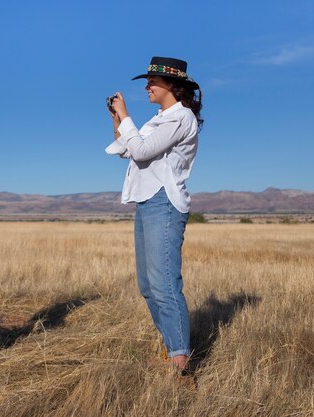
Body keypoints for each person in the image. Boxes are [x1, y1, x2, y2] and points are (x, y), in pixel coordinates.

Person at [105, 57, 203, 373]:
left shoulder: (181, 117)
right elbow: (125, 148)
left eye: (151, 81)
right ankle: (172, 352)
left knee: (164, 284)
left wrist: (126, 115)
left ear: (171, 85)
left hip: (164, 201)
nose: (147, 86)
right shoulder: (157, 119)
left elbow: (144, 151)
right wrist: (117, 120)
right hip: (146, 201)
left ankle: (180, 362)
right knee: (148, 286)